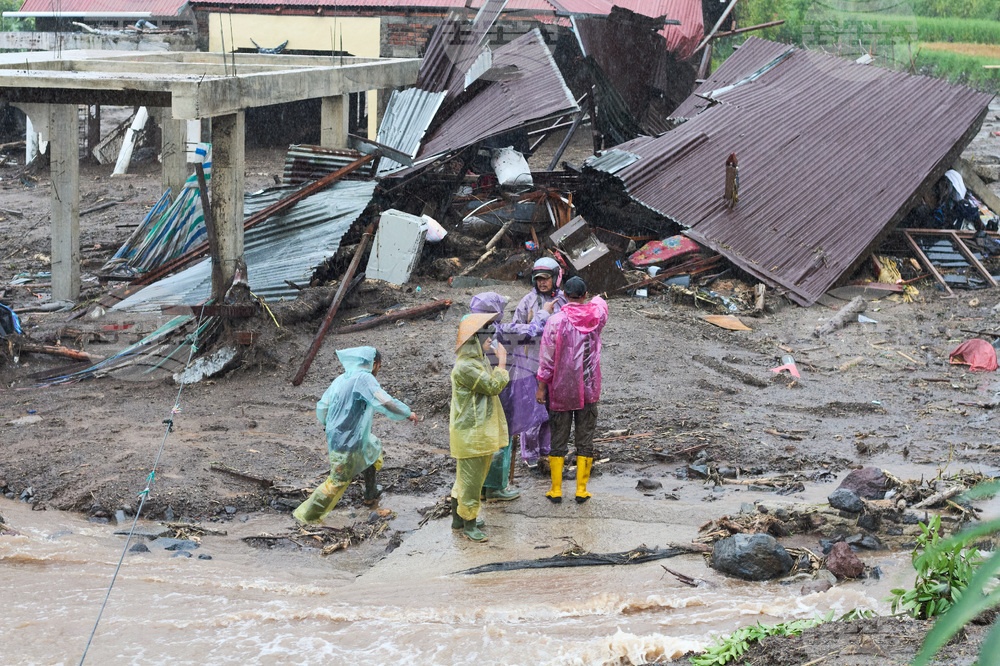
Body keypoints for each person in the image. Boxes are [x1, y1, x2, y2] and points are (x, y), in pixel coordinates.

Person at [293, 347, 418, 524]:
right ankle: (305, 516)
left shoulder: (341, 378)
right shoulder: (364, 378)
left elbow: (322, 406)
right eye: (379, 367)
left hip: (345, 435)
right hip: (347, 440)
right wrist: (407, 413)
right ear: (374, 364)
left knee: (372, 448)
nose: (377, 371)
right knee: (337, 481)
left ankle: (371, 493)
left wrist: (330, 426)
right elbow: (384, 401)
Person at [536, 276, 608, 504]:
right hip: (589, 387)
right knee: (584, 438)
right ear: (585, 295)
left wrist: (541, 388)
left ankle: (556, 490)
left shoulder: (555, 321)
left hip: (561, 389)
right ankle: (581, 489)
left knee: (559, 438)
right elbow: (601, 302)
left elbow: (546, 359)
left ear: (564, 296)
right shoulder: (596, 317)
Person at [450, 312, 510, 542]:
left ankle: (459, 519)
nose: (490, 341)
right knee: (472, 482)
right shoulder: (466, 367)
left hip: (476, 432)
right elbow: (494, 386)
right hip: (471, 434)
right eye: (486, 337)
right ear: (474, 339)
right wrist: (502, 362)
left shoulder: (476, 361)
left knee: (466, 478)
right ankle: (470, 524)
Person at [510, 257, 567, 469]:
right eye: (538, 279)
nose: (542, 283)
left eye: (546, 278)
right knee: (533, 411)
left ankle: (547, 450)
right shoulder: (527, 301)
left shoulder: (564, 300)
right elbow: (516, 330)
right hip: (531, 363)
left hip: (556, 365)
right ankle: (530, 454)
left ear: (555, 278)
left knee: (552, 411)